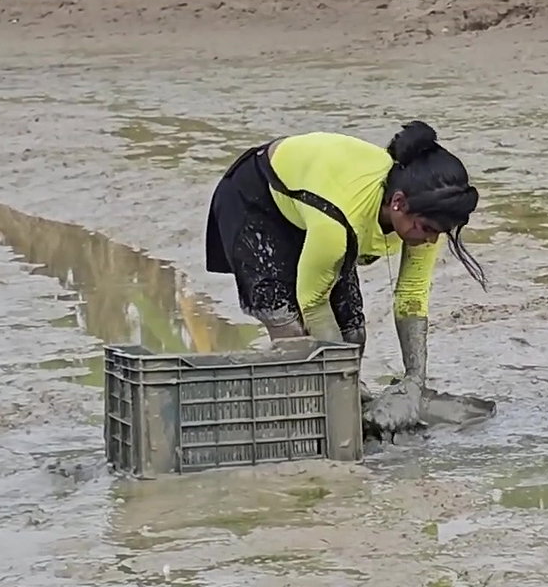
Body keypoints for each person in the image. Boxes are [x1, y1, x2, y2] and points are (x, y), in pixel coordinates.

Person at [204, 120, 486, 430]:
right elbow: (312, 301)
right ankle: (308, 416)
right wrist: (343, 387)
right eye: (428, 230)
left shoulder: (428, 216)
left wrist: (414, 383)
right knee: (294, 334)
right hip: (258, 200)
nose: (431, 240)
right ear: (398, 203)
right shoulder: (340, 222)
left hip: (322, 205)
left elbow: (411, 298)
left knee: (353, 333)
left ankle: (339, 402)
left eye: (439, 233)